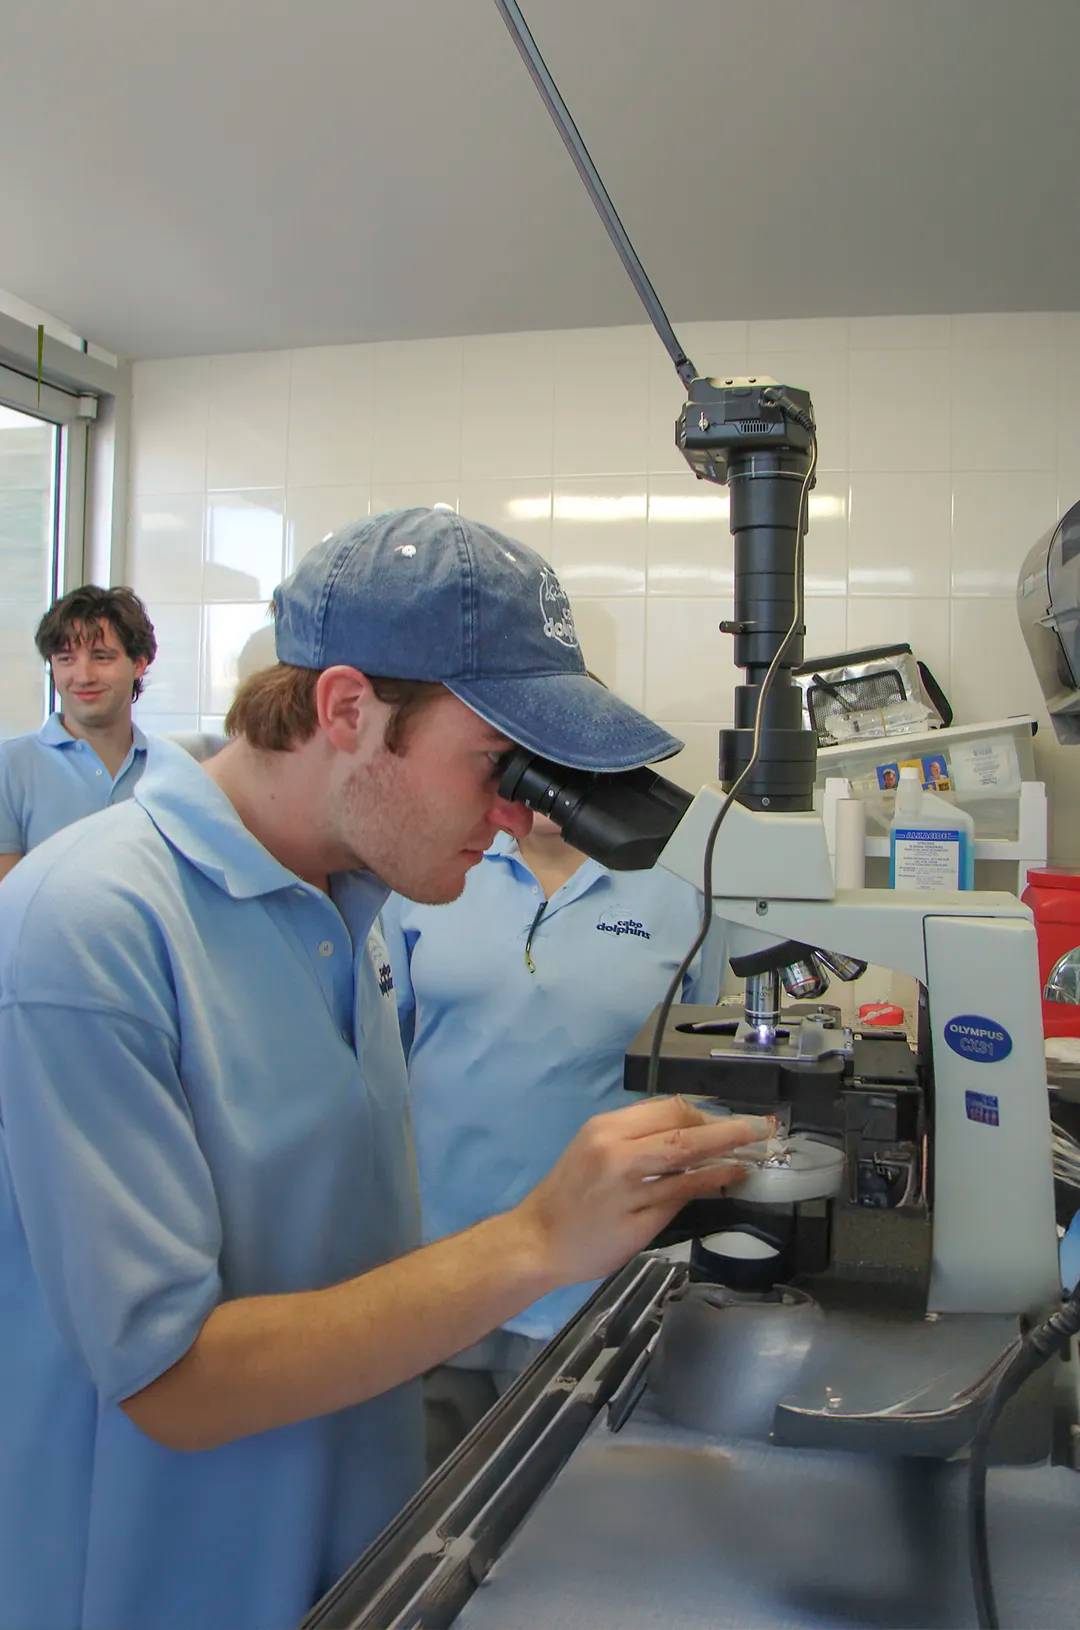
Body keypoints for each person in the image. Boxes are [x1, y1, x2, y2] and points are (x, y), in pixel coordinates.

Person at [0, 507, 766, 1630]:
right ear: (349, 709)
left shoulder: (343, 905)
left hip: (344, 1560)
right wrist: (538, 1239)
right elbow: (173, 1378)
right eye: (494, 764)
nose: (517, 815)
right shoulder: (87, 924)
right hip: (154, 1581)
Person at [382, 790, 727, 1468]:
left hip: (593, 1275)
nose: (545, 788)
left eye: (567, 768)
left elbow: (711, 1073)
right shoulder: (431, 876)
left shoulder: (680, 894)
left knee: (555, 1512)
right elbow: (379, 1054)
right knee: (422, 1505)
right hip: (441, 1262)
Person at [0, 583, 157, 879]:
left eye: (101, 657)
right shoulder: (9, 766)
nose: (83, 677)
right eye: (66, 659)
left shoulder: (165, 769)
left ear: (138, 664)